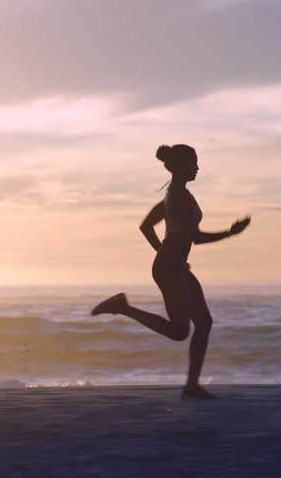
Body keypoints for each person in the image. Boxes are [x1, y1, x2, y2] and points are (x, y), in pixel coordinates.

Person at [90, 144, 250, 399]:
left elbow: (145, 227)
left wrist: (164, 253)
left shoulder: (172, 194)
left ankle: (191, 386)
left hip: (174, 265)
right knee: (179, 332)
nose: (197, 167)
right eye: (193, 162)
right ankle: (122, 307)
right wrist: (231, 233)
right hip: (170, 268)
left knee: (204, 322)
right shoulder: (178, 197)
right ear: (180, 166)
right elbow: (196, 238)